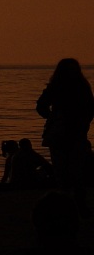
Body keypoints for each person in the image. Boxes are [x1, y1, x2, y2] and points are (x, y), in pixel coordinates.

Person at [36, 58, 94, 214]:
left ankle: (77, 204)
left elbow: (90, 109)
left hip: (74, 134)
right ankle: (67, 205)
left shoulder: (81, 88)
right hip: (62, 133)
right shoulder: (61, 87)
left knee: (75, 171)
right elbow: (41, 105)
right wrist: (53, 118)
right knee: (63, 172)